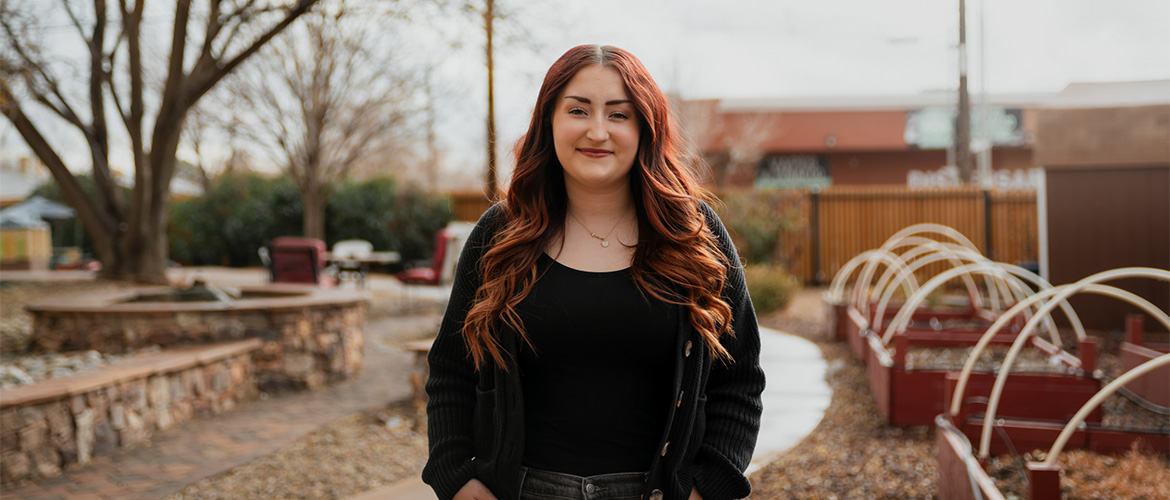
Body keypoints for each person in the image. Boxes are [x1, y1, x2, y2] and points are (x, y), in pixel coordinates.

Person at [422, 44, 765, 500]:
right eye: (578, 110)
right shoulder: (500, 235)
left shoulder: (694, 235)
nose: (597, 131)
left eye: (619, 114)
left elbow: (739, 380)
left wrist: (708, 488)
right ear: (549, 121)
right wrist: (459, 482)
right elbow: (451, 371)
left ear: (645, 128)